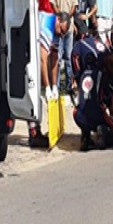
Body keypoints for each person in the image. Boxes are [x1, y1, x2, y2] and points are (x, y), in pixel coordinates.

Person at [27, 11, 71, 148]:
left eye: (63, 33)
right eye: (61, 30)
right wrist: (47, 87)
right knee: (32, 93)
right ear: (58, 20)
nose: (61, 34)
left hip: (35, 52)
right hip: (25, 50)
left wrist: (55, 86)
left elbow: (54, 59)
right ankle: (34, 133)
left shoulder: (58, 31)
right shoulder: (46, 26)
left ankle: (34, 130)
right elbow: (42, 60)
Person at [72, 35, 113, 151]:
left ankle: (86, 135)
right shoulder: (103, 74)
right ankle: (101, 130)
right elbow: (111, 96)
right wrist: (111, 117)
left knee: (85, 103)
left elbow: (76, 74)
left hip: (78, 115)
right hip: (97, 113)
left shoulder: (82, 74)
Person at [50, 0, 78, 92]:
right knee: (57, 57)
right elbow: (52, 2)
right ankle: (56, 85)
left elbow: (74, 5)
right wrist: (60, 17)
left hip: (69, 27)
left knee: (69, 56)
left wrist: (67, 18)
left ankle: (69, 85)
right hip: (59, 26)